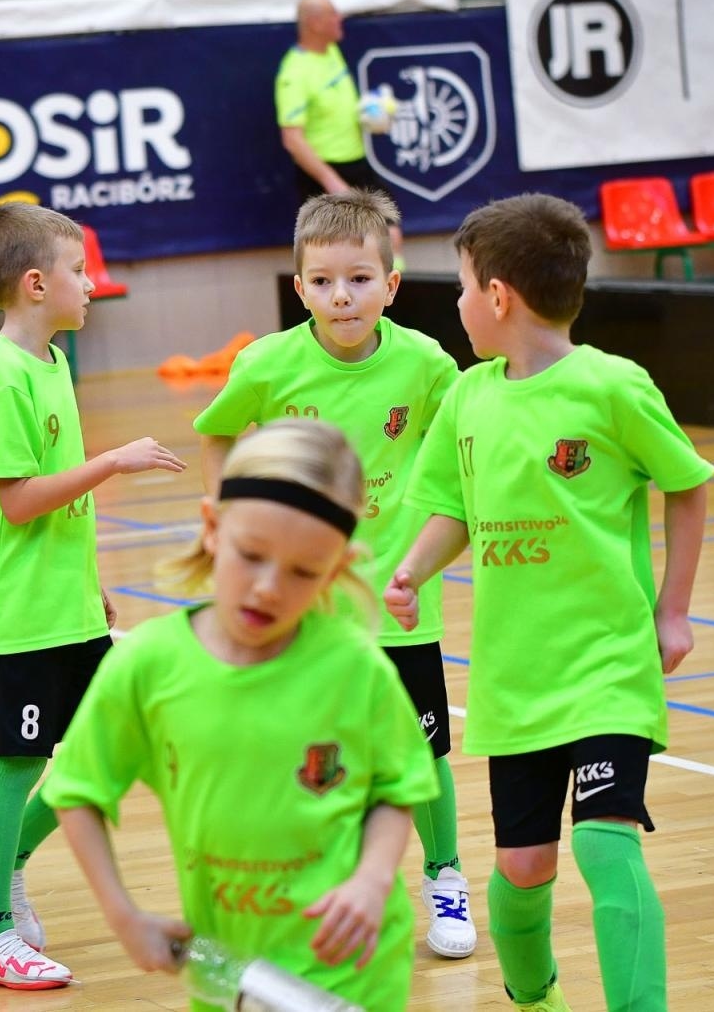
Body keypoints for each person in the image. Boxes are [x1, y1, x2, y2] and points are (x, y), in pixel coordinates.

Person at [386, 193, 712, 1012]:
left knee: (606, 847)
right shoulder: (467, 398)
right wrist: (411, 574)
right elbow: (451, 508)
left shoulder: (613, 387)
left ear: (498, 297)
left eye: (462, 287)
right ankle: (537, 1001)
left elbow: (688, 487)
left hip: (606, 666)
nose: (457, 303)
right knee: (522, 871)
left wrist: (671, 611)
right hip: (513, 679)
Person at [42, 419, 439, 1012]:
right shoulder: (151, 663)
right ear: (211, 529)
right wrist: (122, 914)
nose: (269, 589)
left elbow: (397, 785)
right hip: (228, 970)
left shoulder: (356, 668)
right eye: (251, 555)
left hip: (352, 968)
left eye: (305, 572)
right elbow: (76, 791)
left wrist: (373, 880)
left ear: (336, 570)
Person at [192, 189, 474, 959]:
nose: (339, 295)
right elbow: (216, 434)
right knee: (312, 748)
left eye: (357, 279)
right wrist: (227, 516)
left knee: (422, 750)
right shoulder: (268, 364)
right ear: (299, 286)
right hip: (302, 600)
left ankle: (444, 874)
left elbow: (461, 448)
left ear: (391, 282)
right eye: (321, 282)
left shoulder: (425, 363)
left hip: (395, 595)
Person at [0, 202, 185, 989]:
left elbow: (60, 502)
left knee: (98, 751)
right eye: (81, 271)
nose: (92, 284)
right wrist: (115, 460)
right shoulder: (0, 373)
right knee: (19, 762)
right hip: (19, 613)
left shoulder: (49, 362)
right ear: (37, 282)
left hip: (68, 605)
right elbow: (18, 501)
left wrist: (93, 587)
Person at [274, 0, 404, 259]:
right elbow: (292, 139)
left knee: (390, 237)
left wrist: (372, 112)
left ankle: (392, 298)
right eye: (333, 14)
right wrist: (331, 182)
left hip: (357, 164)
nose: (339, 19)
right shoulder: (294, 73)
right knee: (342, 256)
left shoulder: (331, 51)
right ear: (314, 23)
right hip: (325, 174)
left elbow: (334, 108)